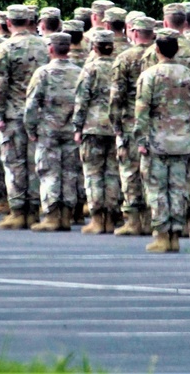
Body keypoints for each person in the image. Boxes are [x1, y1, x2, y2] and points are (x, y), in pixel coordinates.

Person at [134, 29, 190, 253]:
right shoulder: (189, 75)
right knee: (179, 189)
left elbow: (142, 111)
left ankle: (161, 235)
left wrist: (140, 139)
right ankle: (175, 234)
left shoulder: (149, 76)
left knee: (157, 190)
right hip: (183, 141)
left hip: (156, 142)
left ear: (156, 50)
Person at [0, 5, 49, 229]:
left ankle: (18, 210)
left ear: (8, 23)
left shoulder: (6, 48)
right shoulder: (44, 46)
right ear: (31, 21)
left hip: (13, 114)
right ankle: (34, 209)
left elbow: (0, 85)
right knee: (35, 163)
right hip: (39, 114)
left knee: (14, 164)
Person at [25, 32, 82, 231]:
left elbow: (32, 104)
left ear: (51, 49)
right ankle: (66, 215)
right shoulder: (78, 72)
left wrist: (30, 128)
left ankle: (51, 216)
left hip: (48, 130)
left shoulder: (43, 73)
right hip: (70, 130)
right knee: (69, 173)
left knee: (49, 172)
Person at [109, 16, 156, 236]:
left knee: (130, 172)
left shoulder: (124, 58)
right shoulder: (159, 57)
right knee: (152, 173)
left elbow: (116, 97)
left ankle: (134, 220)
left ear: (134, 33)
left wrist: (116, 126)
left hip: (130, 122)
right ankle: (151, 218)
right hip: (155, 124)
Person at [72, 29, 120, 234]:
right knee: (112, 174)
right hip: (115, 127)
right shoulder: (119, 67)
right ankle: (111, 216)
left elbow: (82, 100)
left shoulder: (90, 69)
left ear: (94, 47)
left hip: (93, 127)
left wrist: (77, 126)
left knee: (93, 175)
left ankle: (97, 219)